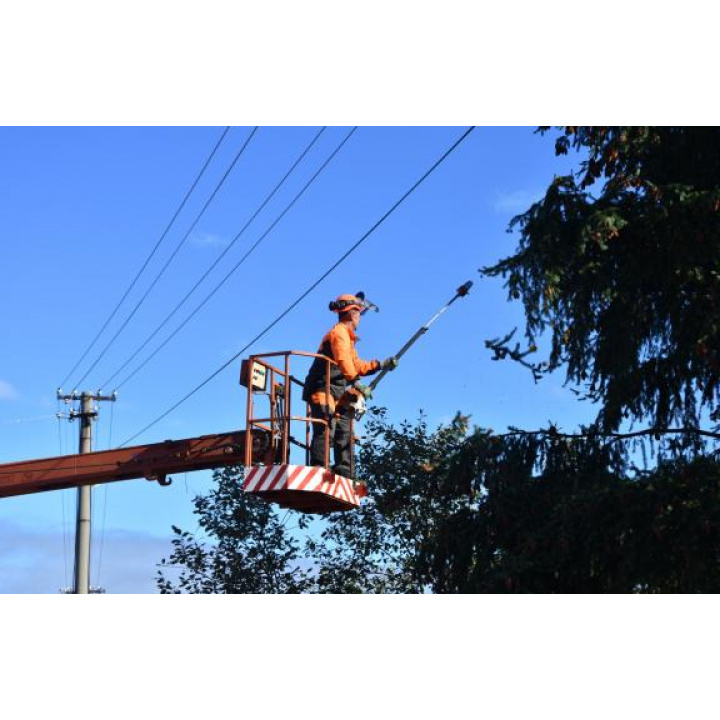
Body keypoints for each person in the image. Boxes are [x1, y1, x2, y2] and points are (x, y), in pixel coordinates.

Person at [302, 293, 397, 479]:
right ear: (353, 313)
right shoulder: (339, 333)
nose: (360, 317)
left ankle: (344, 471)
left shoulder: (348, 338)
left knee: (344, 427)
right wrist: (356, 383)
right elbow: (344, 361)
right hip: (323, 388)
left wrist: (380, 364)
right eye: (359, 313)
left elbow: (356, 364)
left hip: (336, 390)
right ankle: (319, 470)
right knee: (326, 427)